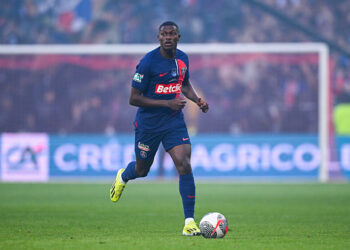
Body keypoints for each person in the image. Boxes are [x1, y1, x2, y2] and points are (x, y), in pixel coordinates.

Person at [109, 21, 209, 236]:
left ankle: (189, 222)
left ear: (178, 37)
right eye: (164, 34)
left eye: (172, 34)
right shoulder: (148, 63)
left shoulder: (183, 58)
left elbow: (184, 84)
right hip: (149, 125)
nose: (168, 37)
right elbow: (133, 98)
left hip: (173, 121)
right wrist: (167, 103)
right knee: (142, 170)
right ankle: (123, 176)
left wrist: (197, 100)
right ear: (159, 38)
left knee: (183, 163)